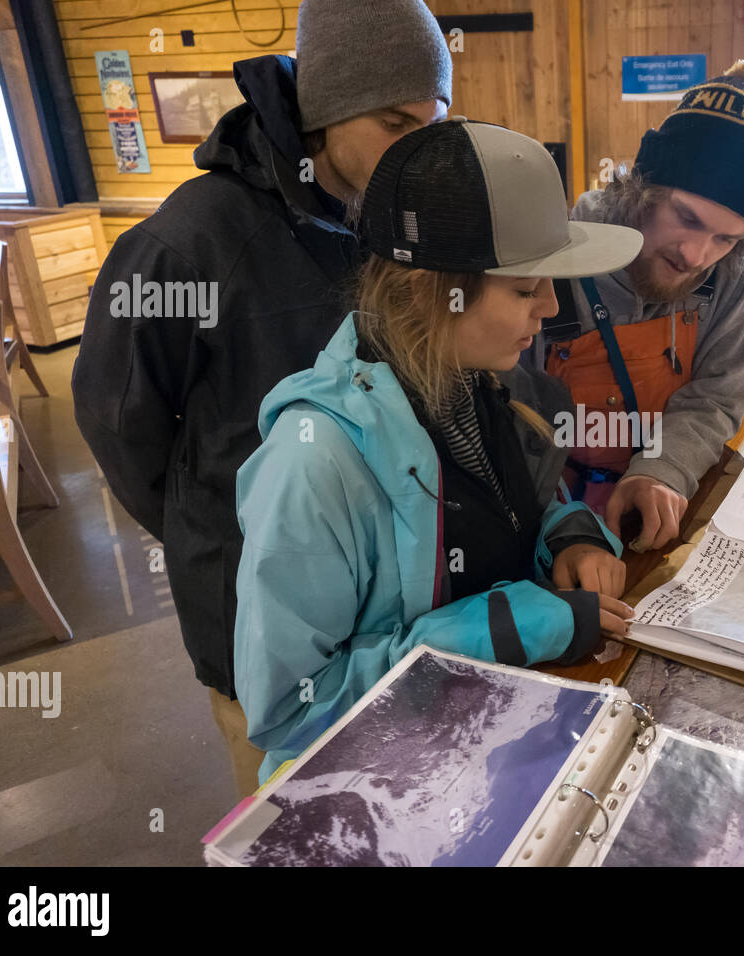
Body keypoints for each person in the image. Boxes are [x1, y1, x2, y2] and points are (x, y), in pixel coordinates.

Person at [71, 0, 452, 796]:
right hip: (257, 608)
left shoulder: (393, 218)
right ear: (325, 111)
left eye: (434, 124)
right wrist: (216, 530)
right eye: (394, 123)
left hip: (387, 603)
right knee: (292, 815)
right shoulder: (189, 244)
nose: (419, 150)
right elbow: (118, 420)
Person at [234, 119, 643, 784]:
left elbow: (519, 507)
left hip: (493, 741)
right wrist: (510, 627)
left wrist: (570, 536)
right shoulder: (312, 464)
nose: (550, 306)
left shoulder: (485, 381)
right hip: (377, 791)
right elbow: (290, 713)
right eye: (524, 287)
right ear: (435, 289)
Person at [532, 60, 744, 551]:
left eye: (724, 238)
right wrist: (566, 529)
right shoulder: (559, 252)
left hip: (657, 514)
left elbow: (718, 395)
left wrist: (664, 470)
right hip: (548, 516)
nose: (696, 255)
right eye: (686, 217)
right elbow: (506, 418)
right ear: (642, 189)